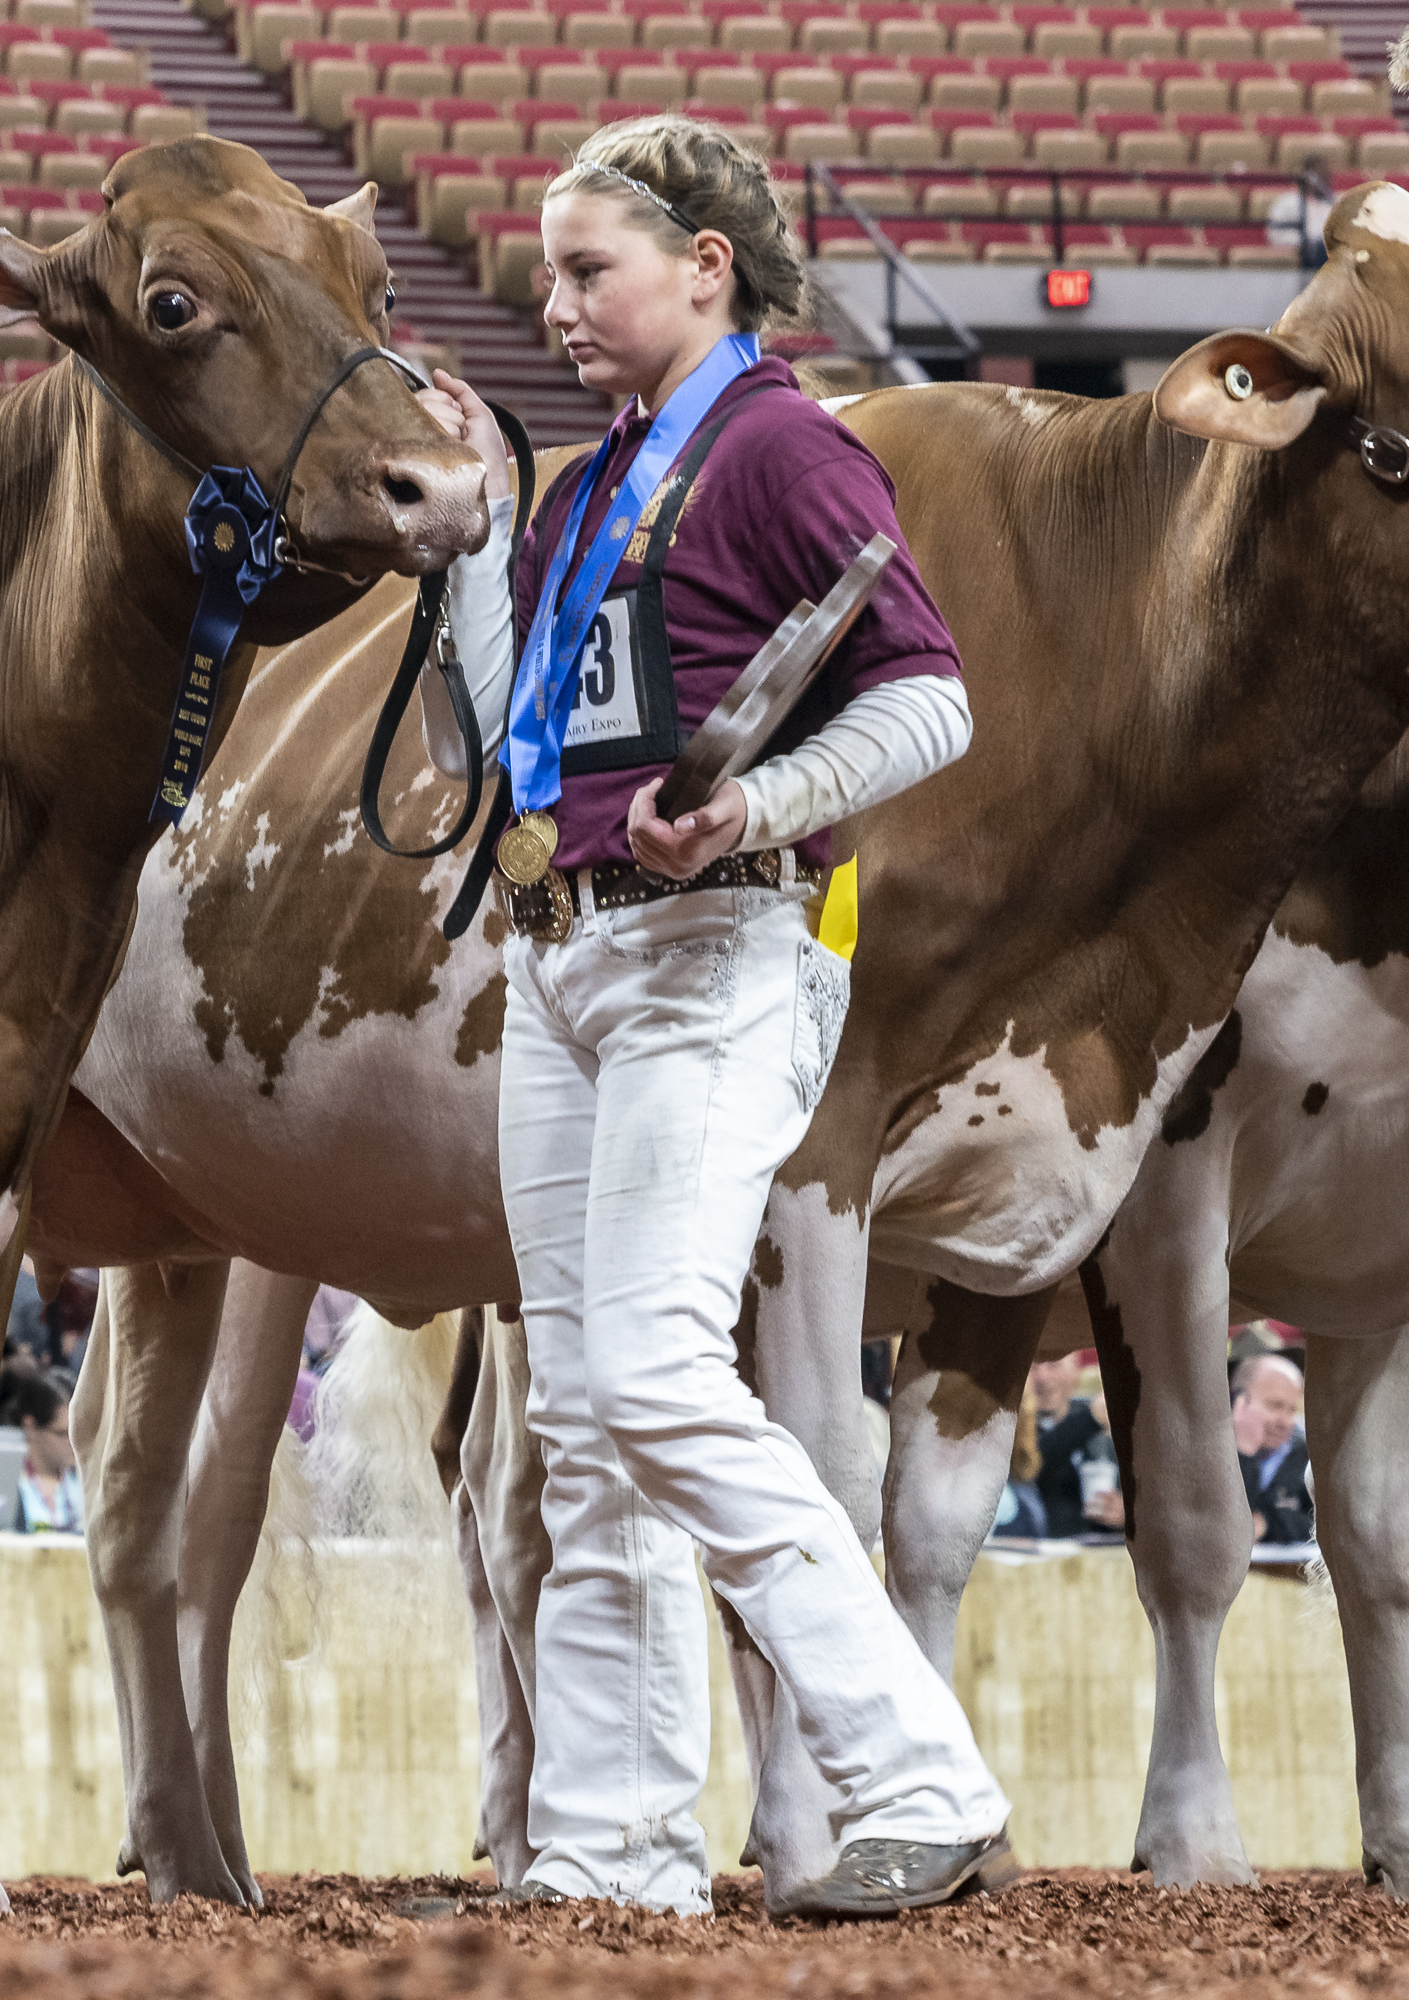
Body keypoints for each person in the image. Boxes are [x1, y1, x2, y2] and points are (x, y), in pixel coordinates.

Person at [412, 115, 1010, 1918]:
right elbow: (499, 736)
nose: (551, 302)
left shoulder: (776, 447)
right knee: (584, 1428)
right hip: (561, 952)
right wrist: (463, 548)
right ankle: (611, 1853)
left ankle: (919, 1775)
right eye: (548, 272)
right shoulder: (589, 479)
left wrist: (760, 800)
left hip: (720, 945)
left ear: (704, 267)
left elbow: (930, 698)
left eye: (584, 268)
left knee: (652, 1376)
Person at [0, 1368, 82, 1533]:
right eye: (63, 1434)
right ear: (30, 1427)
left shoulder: (81, 1483)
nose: (75, 1443)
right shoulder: (4, 1484)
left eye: (79, 1434)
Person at [1233, 1352, 1311, 1546]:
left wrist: (1266, 1523)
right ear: (1239, 1401)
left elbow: (1318, 1524)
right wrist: (1244, 1454)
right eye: (1275, 1405)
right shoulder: (1206, 1455)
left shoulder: (1305, 1456)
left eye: (1292, 1410)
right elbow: (1224, 1521)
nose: (1286, 1422)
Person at [1026, 1354, 1104, 1539]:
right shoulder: (1009, 1428)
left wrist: (1124, 1514)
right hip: (1041, 1547)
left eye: (1053, 1365)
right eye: (1033, 1368)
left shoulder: (1102, 1429)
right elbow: (1029, 1464)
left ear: (1076, 1372)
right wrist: (1090, 1419)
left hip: (1104, 1550)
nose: (1042, 1377)